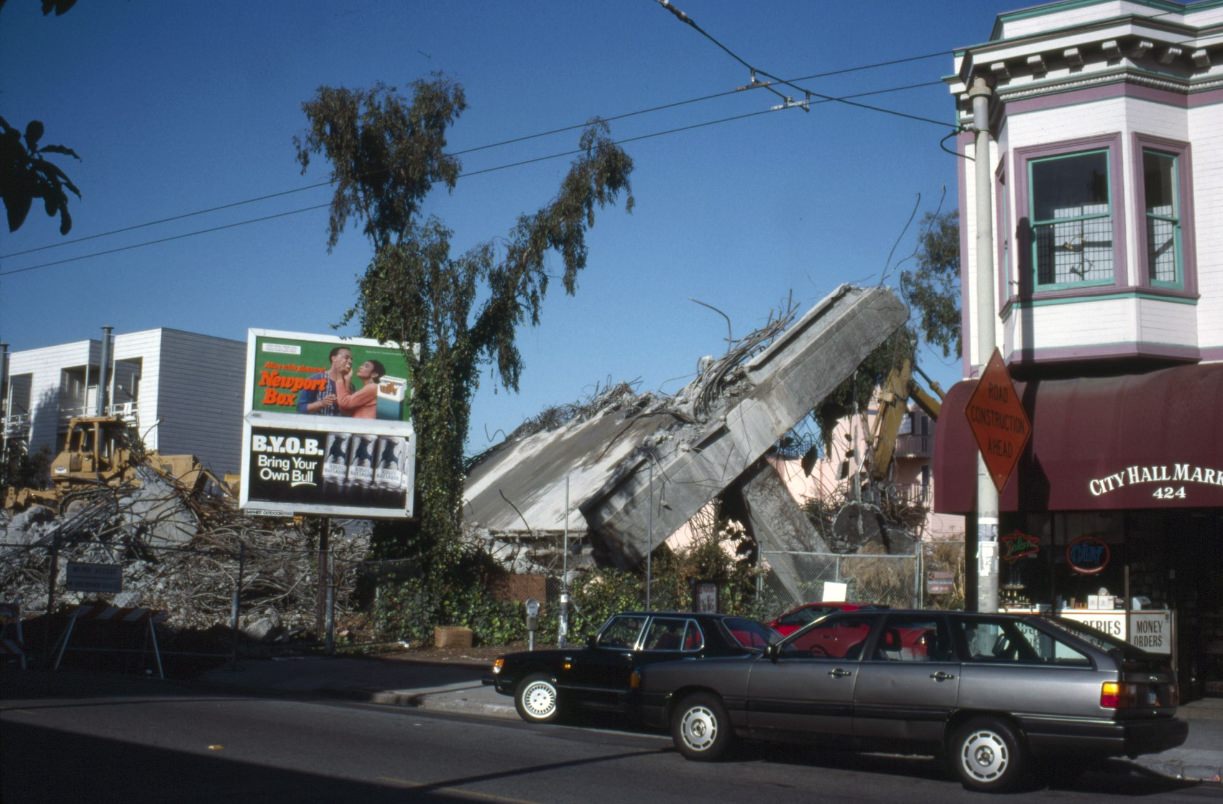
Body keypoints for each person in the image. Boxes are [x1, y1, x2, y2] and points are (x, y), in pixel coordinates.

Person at [297, 346, 352, 415]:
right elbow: (300, 408)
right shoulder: (316, 379)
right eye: (346, 358)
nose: (350, 361)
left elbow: (350, 413)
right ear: (334, 358)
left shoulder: (350, 385)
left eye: (351, 359)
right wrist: (321, 403)